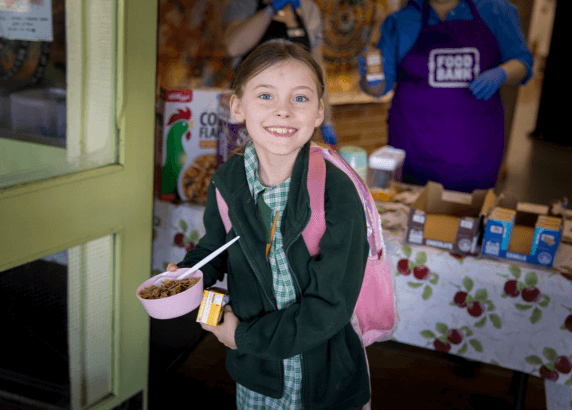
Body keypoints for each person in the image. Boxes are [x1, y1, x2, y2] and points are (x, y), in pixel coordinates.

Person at [166, 42, 371, 410]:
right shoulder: (228, 181)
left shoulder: (337, 192)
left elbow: (330, 306)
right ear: (237, 107)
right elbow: (217, 247)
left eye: (300, 98)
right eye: (265, 95)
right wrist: (187, 276)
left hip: (324, 381)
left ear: (319, 112)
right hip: (258, 376)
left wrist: (242, 337)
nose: (283, 111)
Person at [359, 0, 534, 193]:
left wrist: (502, 73)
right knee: (407, 205)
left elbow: (523, 61)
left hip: (473, 150)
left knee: (468, 209)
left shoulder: (496, 11)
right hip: (413, 147)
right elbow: (380, 88)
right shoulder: (400, 21)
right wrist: (371, 80)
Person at [222, 0, 338, 147]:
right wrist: (270, 10)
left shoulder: (308, 8)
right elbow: (233, 47)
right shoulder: (245, 4)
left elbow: (318, 70)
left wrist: (326, 121)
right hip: (254, 113)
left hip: (294, 111)